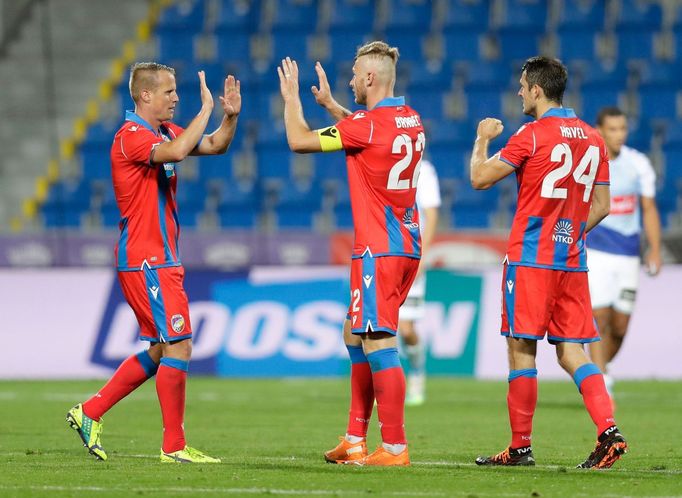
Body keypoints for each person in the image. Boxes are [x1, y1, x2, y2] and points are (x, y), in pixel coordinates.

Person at [66, 62, 241, 463]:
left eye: (177, 91)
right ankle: (174, 447)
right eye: (168, 91)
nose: (175, 97)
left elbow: (214, 146)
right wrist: (205, 109)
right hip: (147, 259)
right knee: (179, 345)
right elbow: (179, 152)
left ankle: (89, 412)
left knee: (164, 348)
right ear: (145, 95)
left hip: (159, 258)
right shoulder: (129, 137)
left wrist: (229, 117)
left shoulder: (161, 132)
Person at [468, 56, 627, 469]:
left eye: (523, 86)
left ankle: (520, 447)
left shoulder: (533, 135)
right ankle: (608, 431)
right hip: (571, 261)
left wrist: (482, 139)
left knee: (521, 350)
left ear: (537, 90)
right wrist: (569, 232)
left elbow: (480, 178)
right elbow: (603, 205)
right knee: (574, 353)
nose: (519, 92)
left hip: (531, 259)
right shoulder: (593, 138)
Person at [278, 41, 424, 466]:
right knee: (353, 332)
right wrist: (331, 105)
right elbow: (364, 130)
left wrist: (292, 101)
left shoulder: (368, 125)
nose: (350, 80)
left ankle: (394, 447)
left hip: (379, 247)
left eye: (355, 75)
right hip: (404, 244)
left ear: (371, 78)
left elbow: (298, 141)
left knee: (378, 341)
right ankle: (354, 439)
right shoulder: (409, 119)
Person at [587, 107, 662, 398]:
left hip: (628, 255)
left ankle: (598, 369)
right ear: (600, 130)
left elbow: (648, 208)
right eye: (613, 129)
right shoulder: (591, 162)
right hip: (597, 251)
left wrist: (654, 249)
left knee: (618, 328)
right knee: (599, 318)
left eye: (623, 129)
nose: (619, 135)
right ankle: (600, 380)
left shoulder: (638, 164)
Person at [398, 158, 440, 406]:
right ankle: (382, 386)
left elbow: (431, 213)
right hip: (386, 254)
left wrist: (424, 253)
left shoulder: (424, 170)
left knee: (406, 329)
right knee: (380, 328)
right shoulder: (380, 159)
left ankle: (416, 373)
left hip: (411, 256)